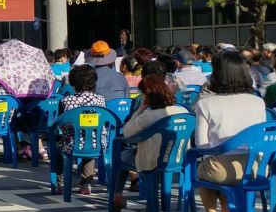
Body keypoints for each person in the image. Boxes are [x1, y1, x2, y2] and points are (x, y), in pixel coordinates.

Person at [192, 51, 268, 212]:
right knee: (220, 170)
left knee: (205, 169)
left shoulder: (206, 103)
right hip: (255, 168)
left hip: (221, 169)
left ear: (216, 74)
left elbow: (202, 145)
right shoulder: (258, 102)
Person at [118, 74, 189, 196]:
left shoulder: (148, 115)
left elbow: (127, 132)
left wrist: (139, 110)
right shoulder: (183, 111)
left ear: (147, 95)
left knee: (120, 155)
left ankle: (116, 194)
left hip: (151, 160)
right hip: (178, 157)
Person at [58, 65, 108, 194]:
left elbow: (60, 123)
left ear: (73, 83)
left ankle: (61, 182)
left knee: (59, 147)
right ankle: (86, 184)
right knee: (89, 143)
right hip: (96, 143)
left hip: (72, 143)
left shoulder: (67, 101)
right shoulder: (101, 100)